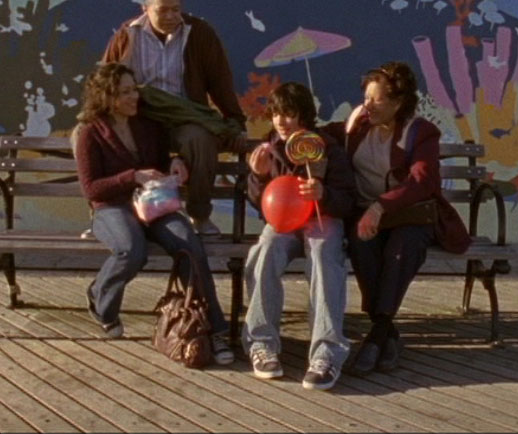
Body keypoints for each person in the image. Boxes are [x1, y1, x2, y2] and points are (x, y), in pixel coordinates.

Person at [74, 63, 234, 365]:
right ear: (107, 97)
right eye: (125, 92)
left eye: (133, 89)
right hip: (112, 207)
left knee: (189, 243)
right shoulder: (90, 133)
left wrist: (175, 163)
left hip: (154, 204)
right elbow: (91, 189)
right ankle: (100, 299)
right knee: (131, 250)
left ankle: (214, 329)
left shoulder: (147, 123)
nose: (134, 96)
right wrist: (132, 176)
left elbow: (161, 161)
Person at [323, 61, 471, 376]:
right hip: (367, 216)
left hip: (409, 216)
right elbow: (313, 136)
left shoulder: (420, 132)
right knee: (362, 245)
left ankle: (377, 335)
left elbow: (422, 181)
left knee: (401, 250)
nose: (368, 105)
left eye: (377, 99)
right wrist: (274, 142)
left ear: (398, 101)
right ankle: (385, 334)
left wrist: (380, 206)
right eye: (366, 97)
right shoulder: (356, 125)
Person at [242, 82, 356, 390]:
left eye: (289, 114)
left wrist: (323, 193)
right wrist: (258, 176)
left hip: (321, 217)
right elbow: (261, 203)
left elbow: (347, 200)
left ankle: (327, 353)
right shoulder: (269, 147)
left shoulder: (327, 147)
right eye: (276, 114)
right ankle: (261, 342)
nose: (281, 121)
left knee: (323, 253)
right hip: (285, 221)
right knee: (265, 249)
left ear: (304, 115)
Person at [103, 0, 247, 236]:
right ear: (145, 8)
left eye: (176, 9)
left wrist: (235, 121)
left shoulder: (199, 33)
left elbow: (219, 81)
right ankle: (108, 216)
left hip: (183, 117)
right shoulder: (127, 35)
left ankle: (199, 215)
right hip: (140, 118)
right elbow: (105, 82)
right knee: (102, 136)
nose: (171, 16)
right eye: (163, 10)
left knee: (200, 139)